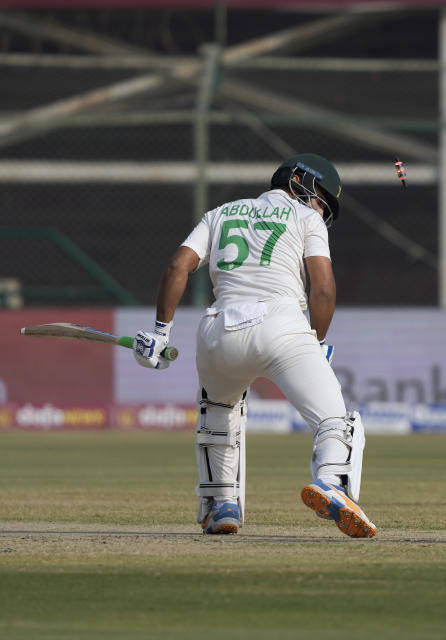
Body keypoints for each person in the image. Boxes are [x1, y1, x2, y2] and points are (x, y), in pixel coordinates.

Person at [133, 153, 376, 539]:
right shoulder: (306, 218)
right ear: (300, 181)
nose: (321, 209)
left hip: (219, 331)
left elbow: (177, 267)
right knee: (336, 421)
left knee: (218, 415)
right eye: (322, 199)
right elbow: (324, 286)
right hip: (282, 323)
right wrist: (320, 339)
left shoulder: (220, 213)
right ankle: (331, 482)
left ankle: (221, 507)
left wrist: (161, 331)